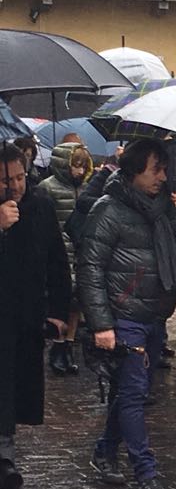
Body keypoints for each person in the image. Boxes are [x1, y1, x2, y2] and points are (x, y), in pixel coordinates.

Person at [78, 140, 176, 489]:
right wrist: (102, 324)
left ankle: (105, 451)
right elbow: (89, 269)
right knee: (134, 394)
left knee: (127, 391)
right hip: (124, 317)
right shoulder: (108, 211)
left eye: (165, 169)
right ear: (134, 171)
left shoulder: (162, 207)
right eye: (156, 169)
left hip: (154, 314)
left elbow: (168, 249)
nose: (163, 177)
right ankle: (145, 471)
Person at [0, 143, 72, 489]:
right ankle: (5, 461)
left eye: (19, 177)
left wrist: (59, 310)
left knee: (14, 389)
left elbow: (56, 260)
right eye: (5, 180)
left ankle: (5, 458)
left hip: (27, 315)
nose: (14, 186)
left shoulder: (40, 206)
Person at [36, 141, 93, 376]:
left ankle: (68, 345)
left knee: (78, 299)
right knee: (62, 297)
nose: (79, 171)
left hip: (81, 249)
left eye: (83, 166)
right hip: (59, 251)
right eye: (75, 165)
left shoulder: (87, 188)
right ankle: (58, 346)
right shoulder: (46, 188)